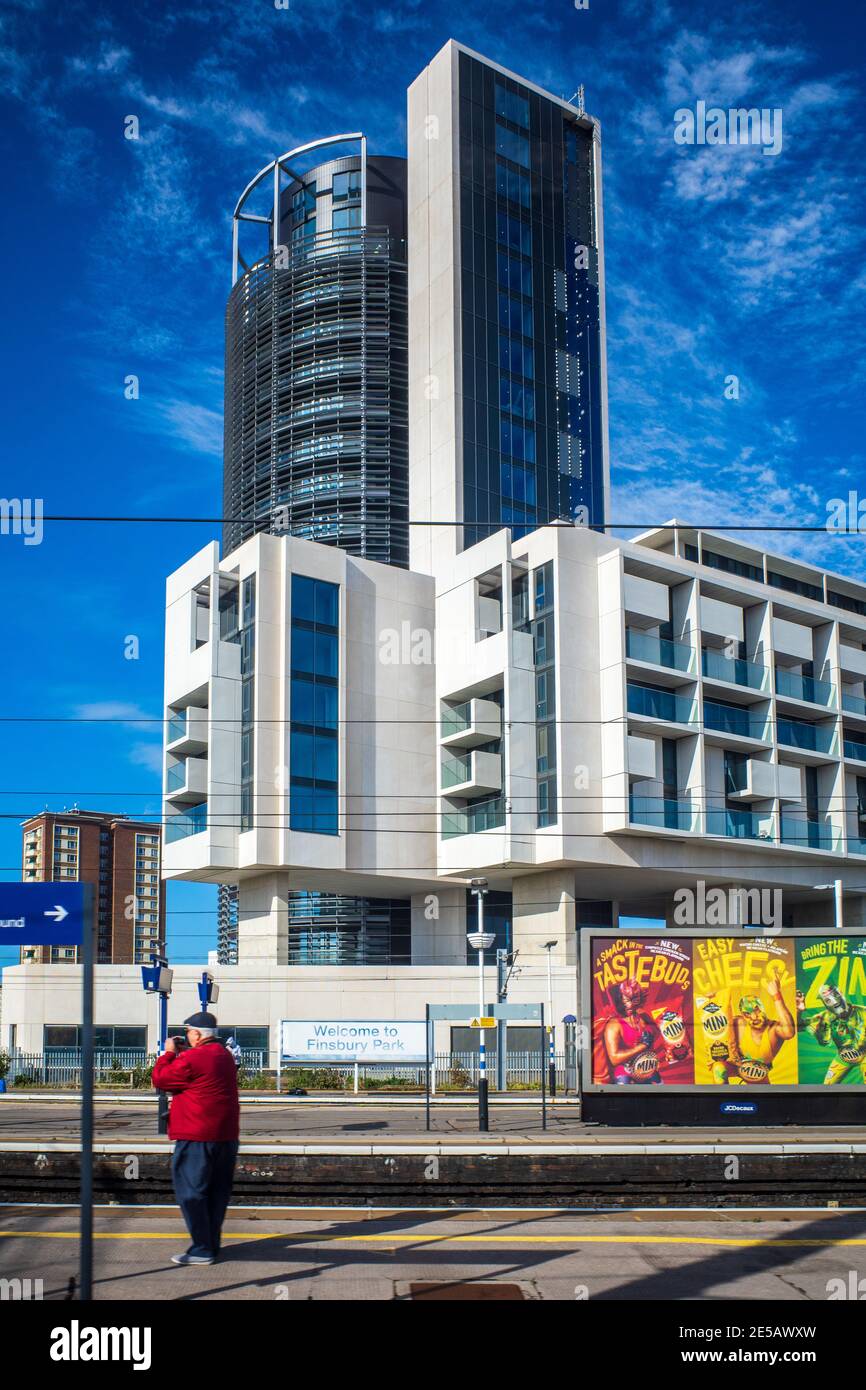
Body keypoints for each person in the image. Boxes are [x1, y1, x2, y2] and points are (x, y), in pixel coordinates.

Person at [151, 1011, 240, 1266]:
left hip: (197, 1135)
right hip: (225, 1136)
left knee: (191, 1192)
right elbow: (195, 1079)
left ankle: (202, 1249)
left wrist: (168, 1053)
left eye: (189, 1032)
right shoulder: (223, 1055)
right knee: (216, 1193)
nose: (187, 1037)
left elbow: (161, 1080)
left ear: (197, 1034)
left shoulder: (193, 1057)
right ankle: (211, 1245)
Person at [797, 983, 866, 1084]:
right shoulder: (825, 1017)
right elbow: (797, 1025)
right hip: (844, 1058)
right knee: (827, 1086)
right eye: (828, 1000)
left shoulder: (863, 1012)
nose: (834, 1002)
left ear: (841, 993)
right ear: (824, 1004)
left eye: (835, 995)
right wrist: (799, 1009)